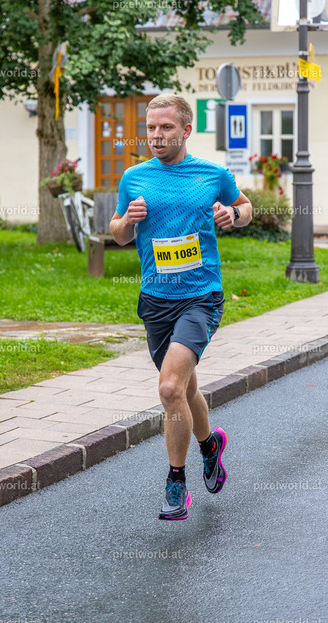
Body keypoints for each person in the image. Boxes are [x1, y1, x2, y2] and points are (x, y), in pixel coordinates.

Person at [110, 94, 252, 520]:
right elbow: (117, 233)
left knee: (170, 388)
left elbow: (245, 207)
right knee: (185, 389)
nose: (156, 136)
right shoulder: (134, 177)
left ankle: (176, 483)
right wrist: (127, 221)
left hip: (200, 298)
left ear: (186, 130)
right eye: (151, 128)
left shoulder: (212, 174)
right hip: (156, 301)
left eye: (166, 128)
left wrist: (232, 215)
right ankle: (211, 445)